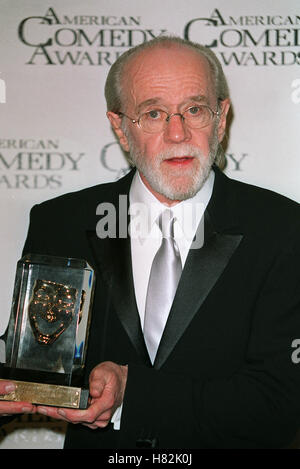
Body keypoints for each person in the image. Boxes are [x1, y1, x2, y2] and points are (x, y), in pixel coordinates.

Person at [1, 36, 300, 449]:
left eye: (195, 109)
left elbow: (283, 403)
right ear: (121, 129)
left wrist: (132, 396)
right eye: (154, 114)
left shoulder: (283, 229)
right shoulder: (61, 222)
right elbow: (39, 354)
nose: (178, 133)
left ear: (221, 118)